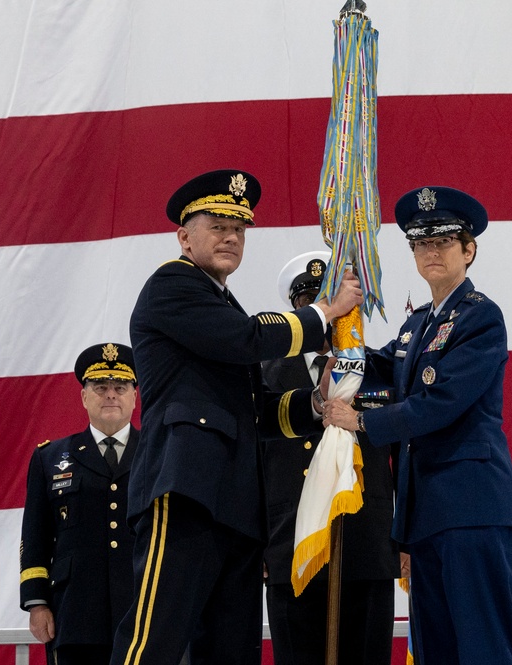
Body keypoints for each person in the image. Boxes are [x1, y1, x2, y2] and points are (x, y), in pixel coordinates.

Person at [110, 169, 363, 665]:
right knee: (153, 641)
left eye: (240, 229)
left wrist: (315, 404)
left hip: (238, 505)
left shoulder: (223, 303)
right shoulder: (172, 285)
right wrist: (325, 314)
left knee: (231, 651)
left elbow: (255, 411)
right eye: (218, 225)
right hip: (184, 490)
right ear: (184, 236)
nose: (231, 237)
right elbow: (246, 338)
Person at [323, 186, 512, 665]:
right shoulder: (417, 327)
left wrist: (362, 422)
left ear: (468, 250)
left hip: (470, 504)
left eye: (443, 241)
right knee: (436, 649)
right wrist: (338, 338)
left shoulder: (480, 318)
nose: (430, 251)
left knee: (482, 646)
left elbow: (440, 403)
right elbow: (382, 367)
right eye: (420, 243)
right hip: (426, 513)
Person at [262, 252, 398, 665]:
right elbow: (247, 466)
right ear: (300, 311)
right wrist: (255, 546)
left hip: (367, 546)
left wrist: (405, 539)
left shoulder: (380, 369)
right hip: (292, 549)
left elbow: (405, 454)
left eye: (339, 301)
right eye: (313, 305)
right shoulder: (265, 376)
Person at [19, 342, 140, 665]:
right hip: (74, 613)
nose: (110, 394)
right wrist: (37, 603)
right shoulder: (50, 458)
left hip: (146, 610)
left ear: (134, 396)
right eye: (100, 387)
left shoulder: (160, 452)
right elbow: (35, 538)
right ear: (84, 396)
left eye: (120, 386)